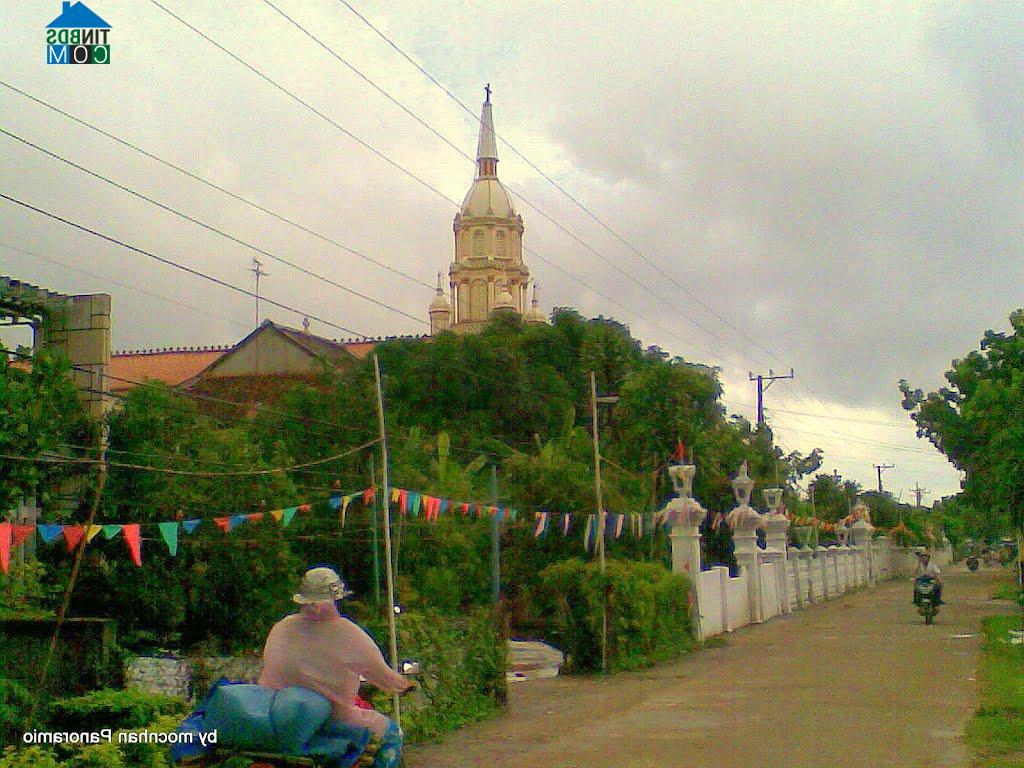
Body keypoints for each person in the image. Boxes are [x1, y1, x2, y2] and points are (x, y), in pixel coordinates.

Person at [259, 567, 415, 768]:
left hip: (276, 718)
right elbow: (384, 677)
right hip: (333, 720)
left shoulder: (282, 627)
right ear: (336, 598)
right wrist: (404, 685)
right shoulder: (347, 633)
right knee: (393, 734)